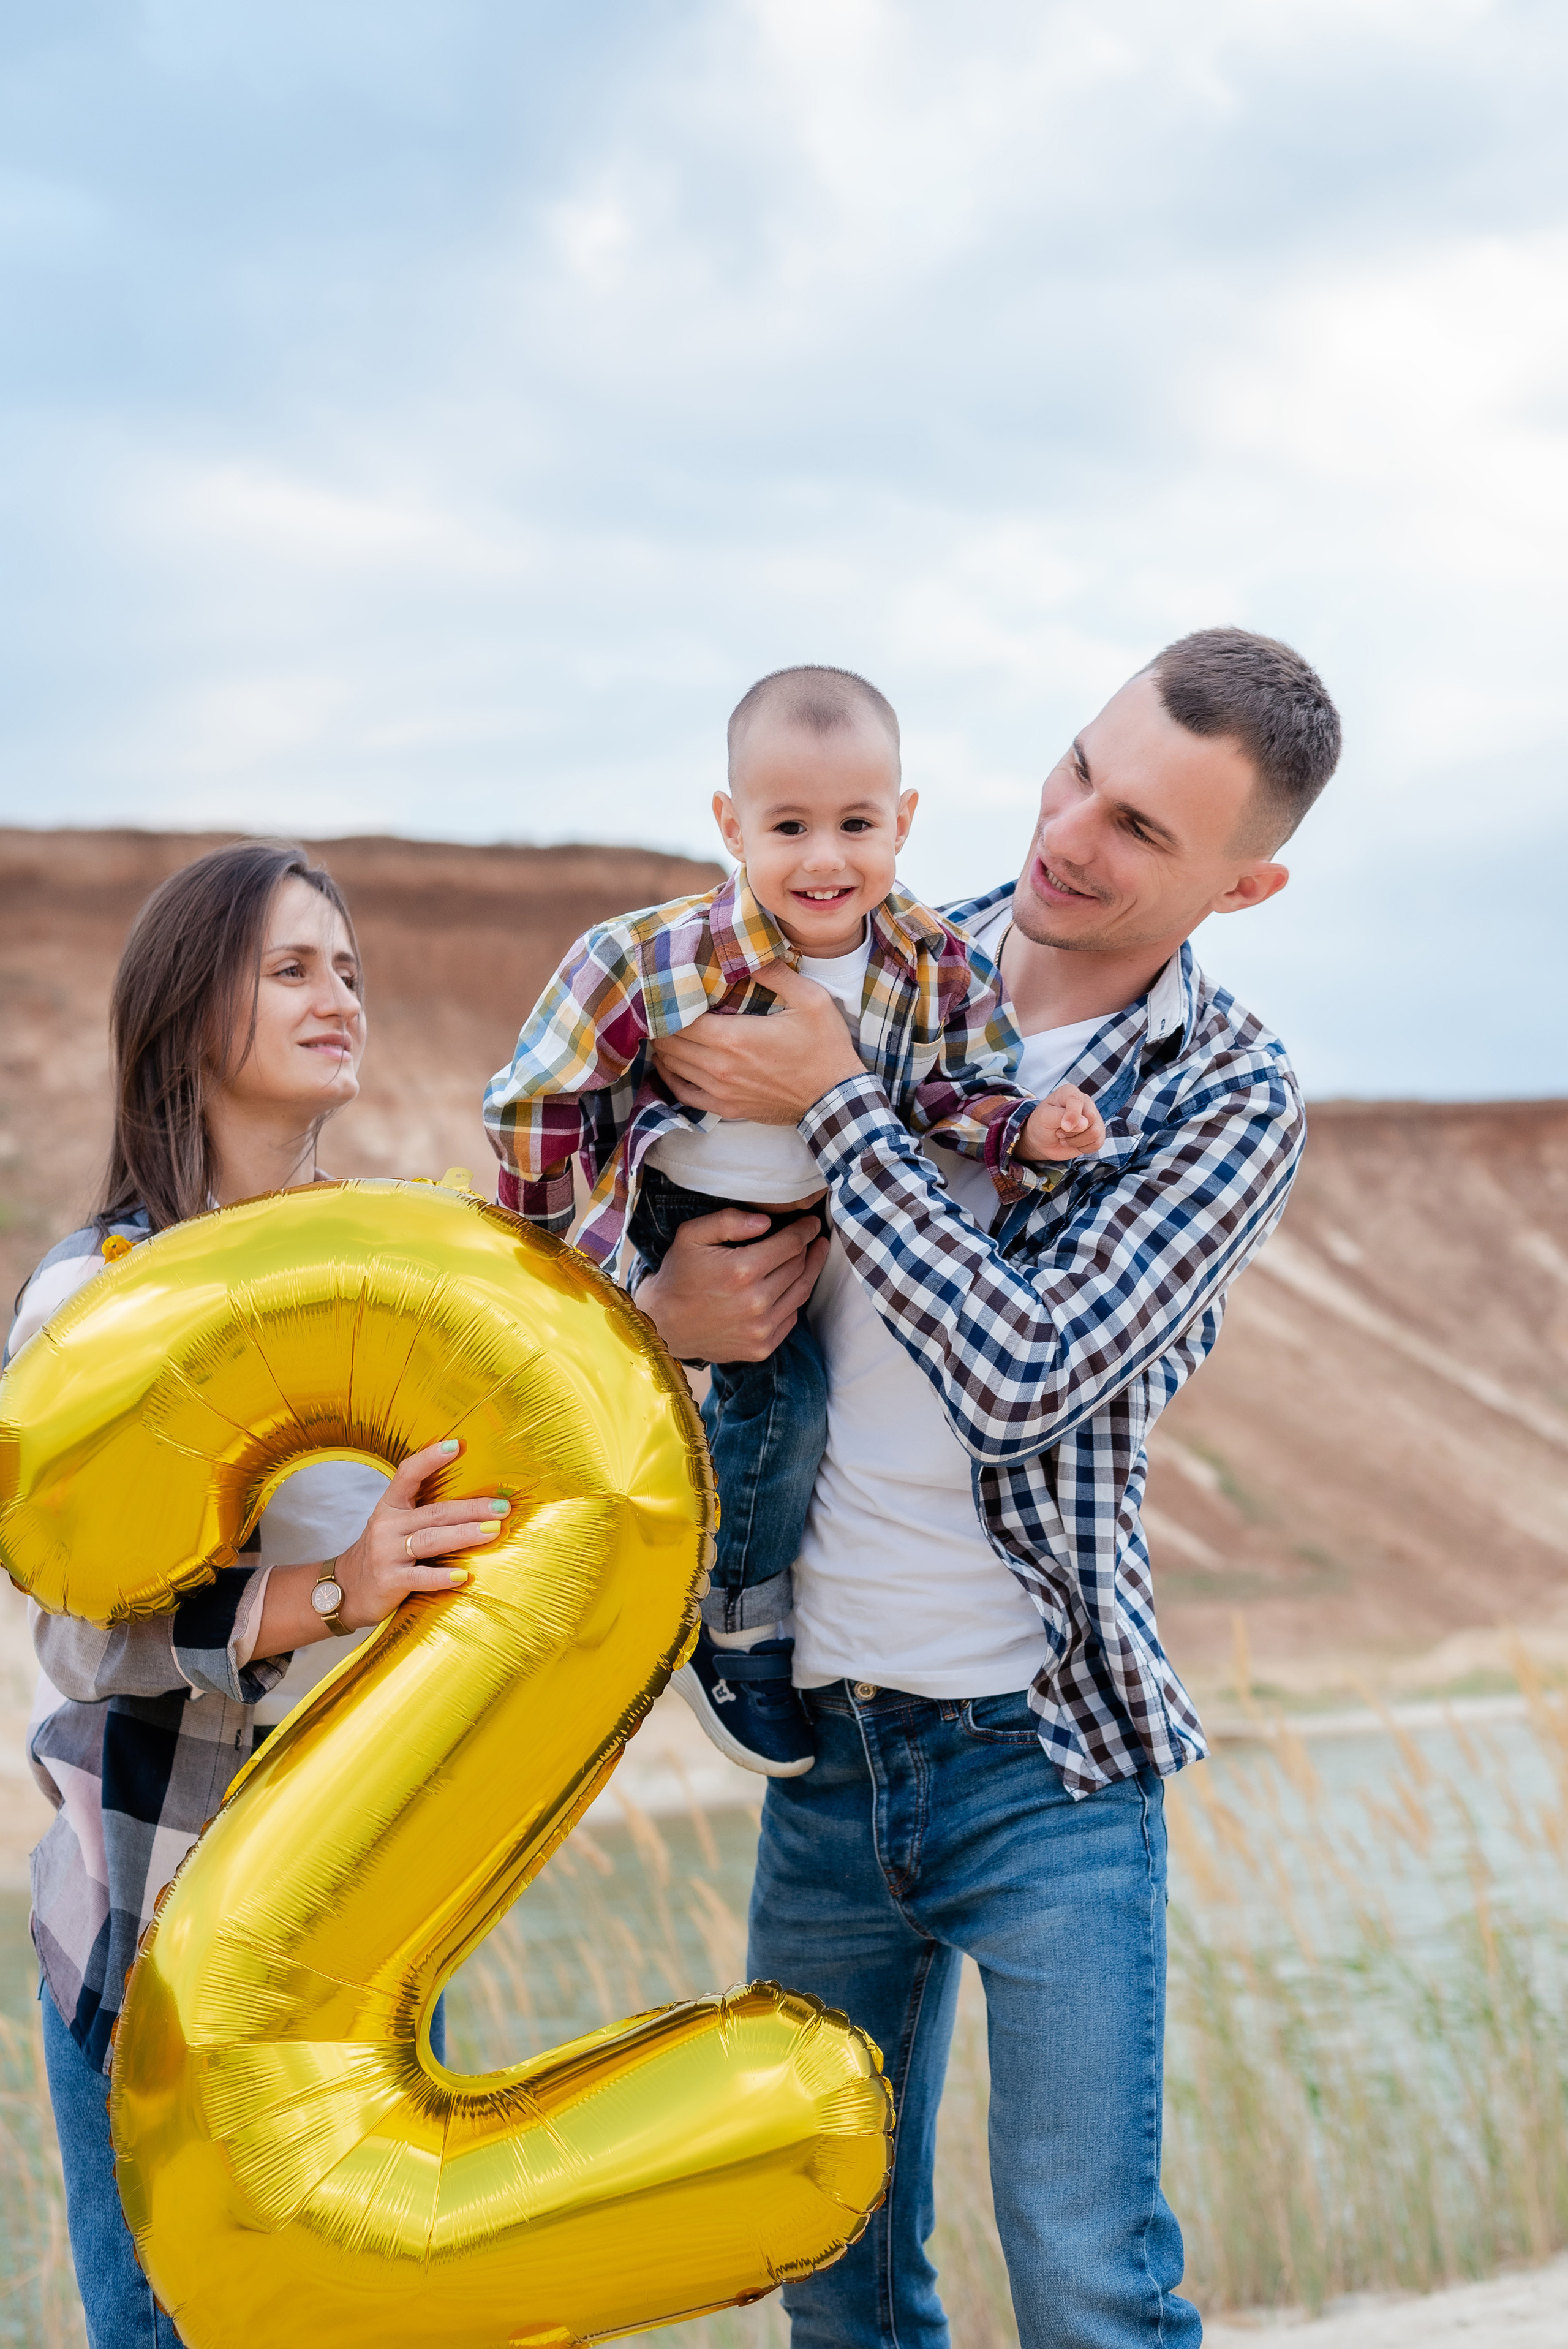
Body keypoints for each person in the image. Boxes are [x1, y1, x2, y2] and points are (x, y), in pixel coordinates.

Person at [633, 628, 1343, 2349]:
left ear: (1244, 886)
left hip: (1048, 1759)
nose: (1075, 833)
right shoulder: (866, 958)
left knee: (1090, 2281)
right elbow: (655, 1203)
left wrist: (846, 1119)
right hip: (823, 1737)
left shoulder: (1231, 1092)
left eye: (1146, 831)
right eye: (1081, 768)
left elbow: (1026, 1374)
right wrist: (662, 1311)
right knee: (839, 2276)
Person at [14, 840, 509, 2349]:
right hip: (161, 1925)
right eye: (292, 969)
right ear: (187, 1014)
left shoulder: (398, 1277)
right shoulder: (96, 1296)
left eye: (348, 970)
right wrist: (326, 1593)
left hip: (367, 1941)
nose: (339, 997)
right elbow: (76, 1627)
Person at [483, 664, 1103, 1780]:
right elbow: (539, 1094)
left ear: (904, 822)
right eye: (789, 825)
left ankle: (723, 1596)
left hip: (816, 1222)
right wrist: (547, 1260)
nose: (826, 858)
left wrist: (1025, 1134)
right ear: (732, 825)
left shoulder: (933, 965)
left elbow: (950, 1102)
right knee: (774, 1399)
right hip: (683, 1205)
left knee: (792, 1404)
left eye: (857, 824)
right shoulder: (655, 955)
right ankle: (737, 1621)